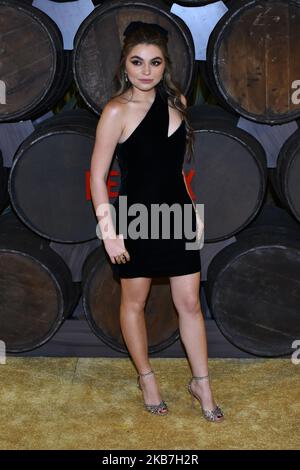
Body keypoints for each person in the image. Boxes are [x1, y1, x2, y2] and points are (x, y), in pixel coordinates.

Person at [90, 21, 224, 422]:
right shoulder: (116, 110)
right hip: (136, 219)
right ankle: (146, 377)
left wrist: (191, 213)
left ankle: (201, 382)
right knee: (135, 303)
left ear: (165, 66)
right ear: (124, 65)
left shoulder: (178, 100)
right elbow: (98, 176)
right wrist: (110, 234)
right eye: (137, 62)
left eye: (154, 62)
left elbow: (175, 169)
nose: (145, 70)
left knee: (189, 303)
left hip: (177, 216)